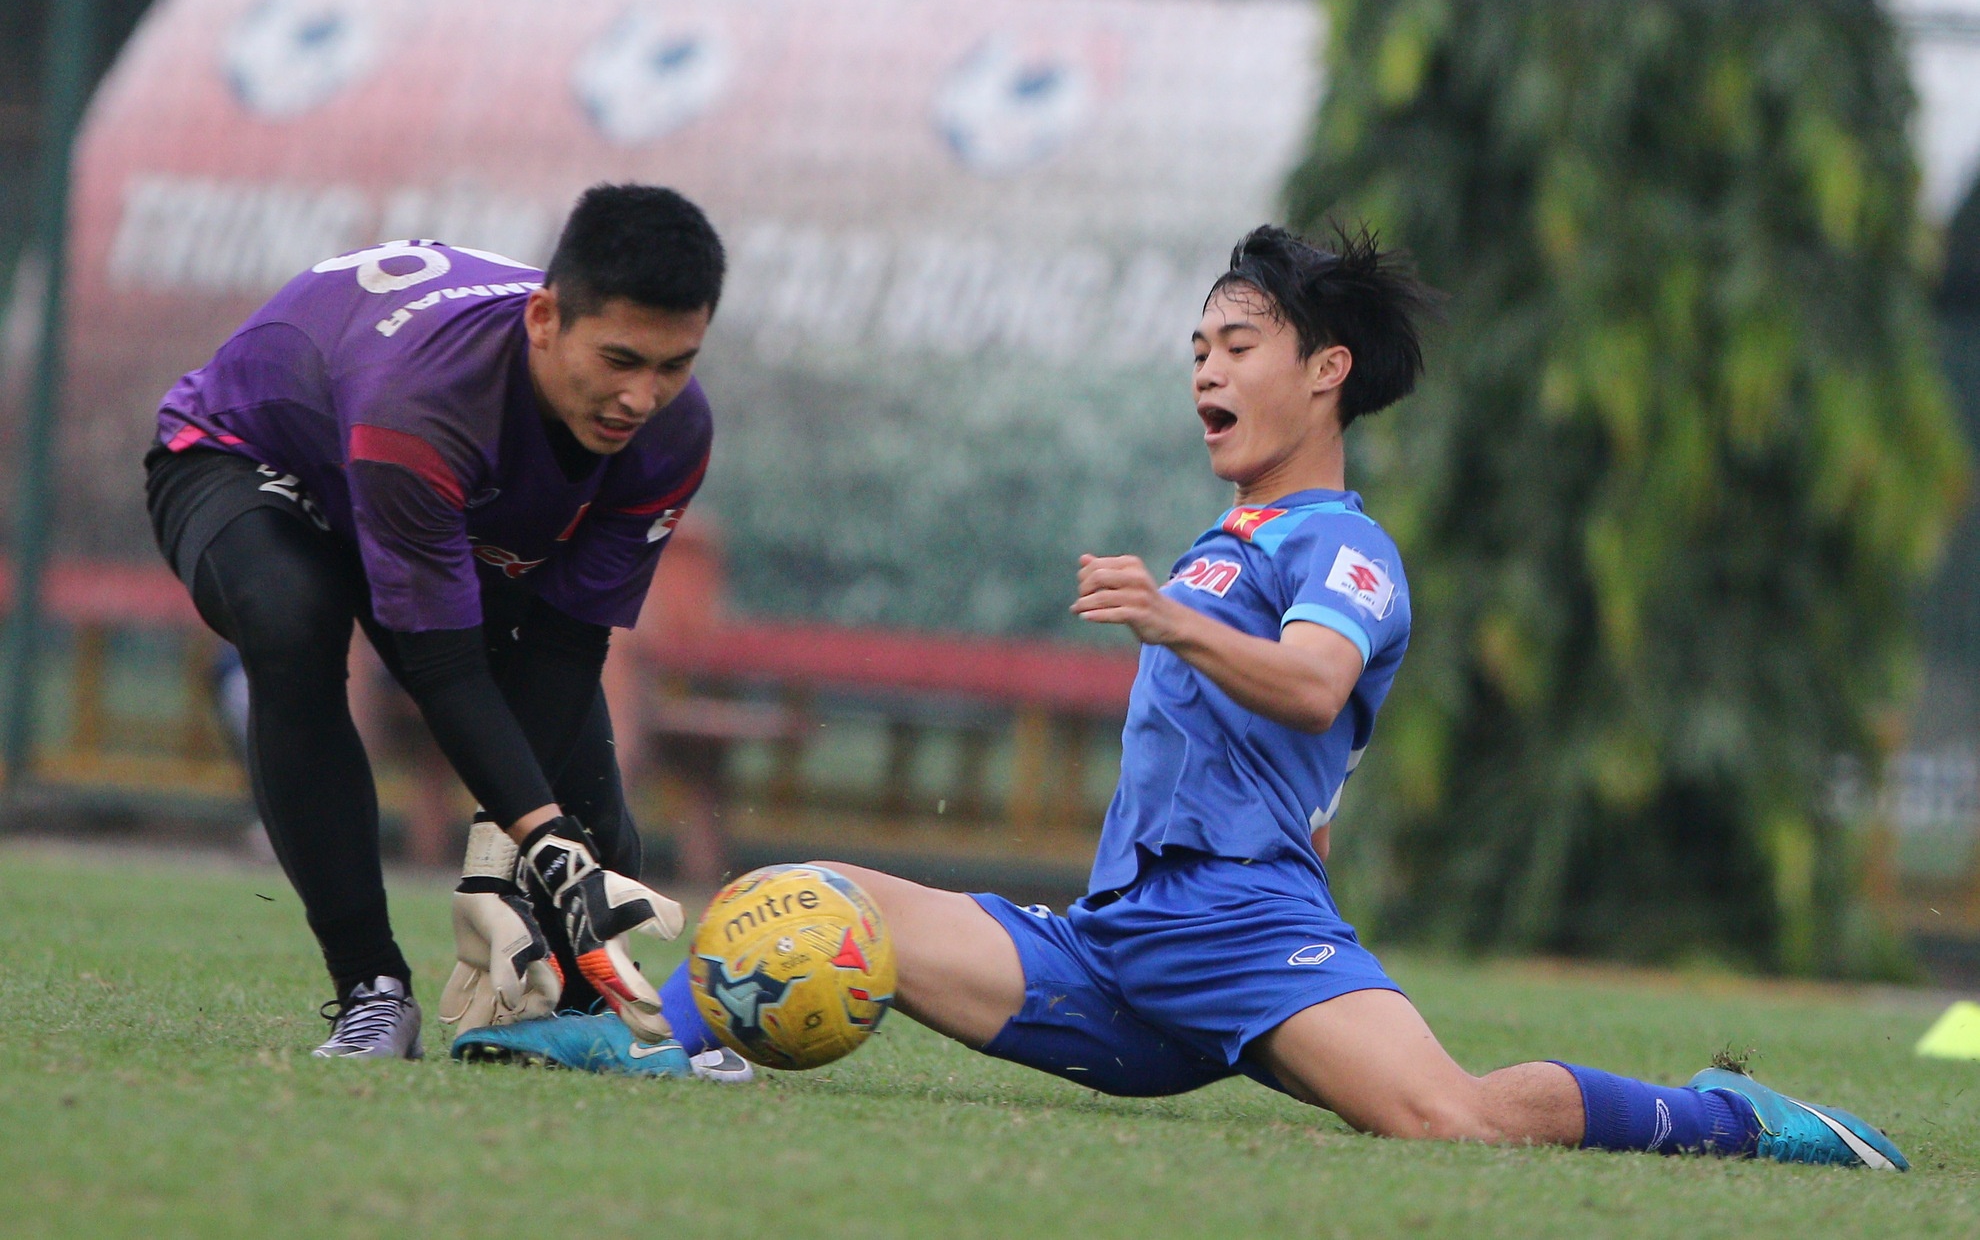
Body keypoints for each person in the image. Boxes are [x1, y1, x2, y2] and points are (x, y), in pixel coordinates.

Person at [458, 224, 1908, 1168]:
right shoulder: (1237, 541)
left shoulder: (1342, 545)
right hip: (1116, 945)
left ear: (1325, 373)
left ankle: (1748, 1123)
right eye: (1198, 349)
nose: (1204, 369)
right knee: (810, 890)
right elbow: (1291, 747)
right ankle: (639, 1046)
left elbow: (1316, 683)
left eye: (1236, 343)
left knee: (1452, 1120)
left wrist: (1166, 619)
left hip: (1241, 935)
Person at [145, 183, 746, 1078]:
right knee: (292, 621)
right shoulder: (423, 402)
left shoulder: (672, 436)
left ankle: (585, 1011)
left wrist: (513, 860)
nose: (640, 396)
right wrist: (534, 842)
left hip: (428, 503)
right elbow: (440, 667)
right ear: (544, 319)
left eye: (674, 365)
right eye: (619, 358)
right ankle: (370, 993)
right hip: (249, 464)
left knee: (582, 801)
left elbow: (565, 651)